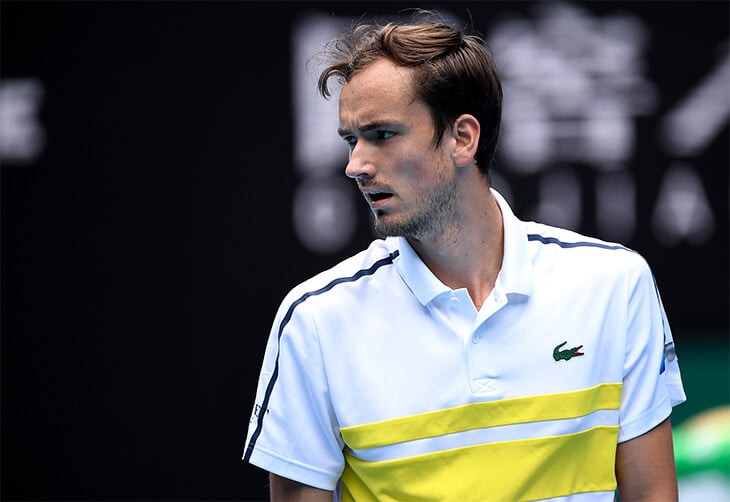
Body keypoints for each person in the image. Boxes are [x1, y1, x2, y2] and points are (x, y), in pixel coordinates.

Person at [243, 14, 686, 501]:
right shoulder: (315, 321)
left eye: (382, 135)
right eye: (352, 140)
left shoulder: (615, 284)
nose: (356, 166)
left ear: (462, 138)